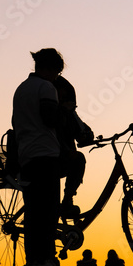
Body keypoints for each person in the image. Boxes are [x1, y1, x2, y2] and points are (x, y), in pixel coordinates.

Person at [12, 48, 66, 266]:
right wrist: (65, 115)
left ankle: (33, 260)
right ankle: (46, 259)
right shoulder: (46, 87)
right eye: (57, 72)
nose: (57, 77)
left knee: (33, 209)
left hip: (26, 155)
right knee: (49, 208)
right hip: (45, 153)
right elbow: (49, 118)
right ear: (51, 69)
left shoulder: (21, 89)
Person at [53, 75, 94, 218]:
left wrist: (87, 135)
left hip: (59, 156)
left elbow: (82, 128)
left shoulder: (69, 113)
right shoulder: (56, 112)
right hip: (54, 157)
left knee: (76, 160)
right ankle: (67, 200)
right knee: (78, 160)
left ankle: (67, 202)